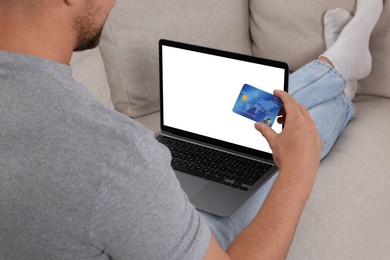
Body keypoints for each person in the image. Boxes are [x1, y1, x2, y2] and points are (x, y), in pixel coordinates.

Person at [0, 1, 382, 259]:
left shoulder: (110, 157)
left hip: (129, 223)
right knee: (281, 153)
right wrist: (297, 177)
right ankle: (337, 72)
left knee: (251, 130)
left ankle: (337, 70)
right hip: (160, 230)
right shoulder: (114, 156)